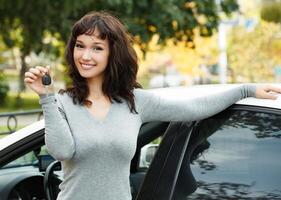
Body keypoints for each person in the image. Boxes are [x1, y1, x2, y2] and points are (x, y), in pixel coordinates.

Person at [24, 11, 281, 200]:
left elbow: (193, 109)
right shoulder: (62, 102)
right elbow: (61, 152)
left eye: (97, 48)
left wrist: (246, 90)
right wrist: (45, 96)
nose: (85, 56)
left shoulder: (136, 102)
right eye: (80, 46)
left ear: (113, 53)